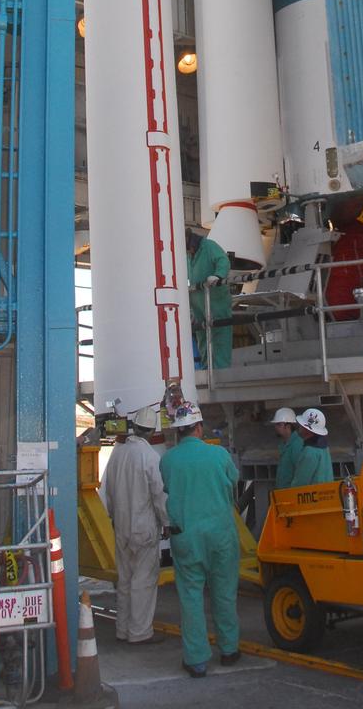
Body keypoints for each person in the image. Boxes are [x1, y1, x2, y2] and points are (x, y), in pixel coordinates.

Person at [159, 401, 240, 678]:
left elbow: (169, 487)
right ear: (199, 427)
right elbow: (234, 479)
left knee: (191, 597)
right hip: (221, 535)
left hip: (187, 537)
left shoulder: (167, 460)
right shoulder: (219, 455)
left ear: (177, 431)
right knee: (224, 592)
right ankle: (229, 649)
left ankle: (196, 660)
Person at [100, 405, 168, 645]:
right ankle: (139, 632)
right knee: (143, 581)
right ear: (151, 432)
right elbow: (159, 495)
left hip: (121, 527)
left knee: (125, 579)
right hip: (143, 529)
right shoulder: (150, 457)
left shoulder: (118, 454)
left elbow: (105, 489)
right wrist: (168, 522)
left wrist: (111, 515)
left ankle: (122, 629)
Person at [186, 227, 232, 370]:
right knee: (202, 337)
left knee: (219, 336)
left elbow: (223, 260)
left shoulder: (209, 246)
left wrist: (218, 276)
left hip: (216, 302)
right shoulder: (188, 256)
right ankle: (207, 368)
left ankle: (221, 370)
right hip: (198, 306)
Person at [287, 408, 333, 486]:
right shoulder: (324, 448)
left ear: (307, 429)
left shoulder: (310, 451)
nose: (299, 427)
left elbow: (300, 483)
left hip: (314, 496)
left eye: (301, 425)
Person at [268, 406, 304, 489]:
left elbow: (300, 473)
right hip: (285, 494)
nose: (275, 427)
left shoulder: (297, 445)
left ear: (288, 426)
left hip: (291, 494)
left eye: (278, 424)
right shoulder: (286, 445)